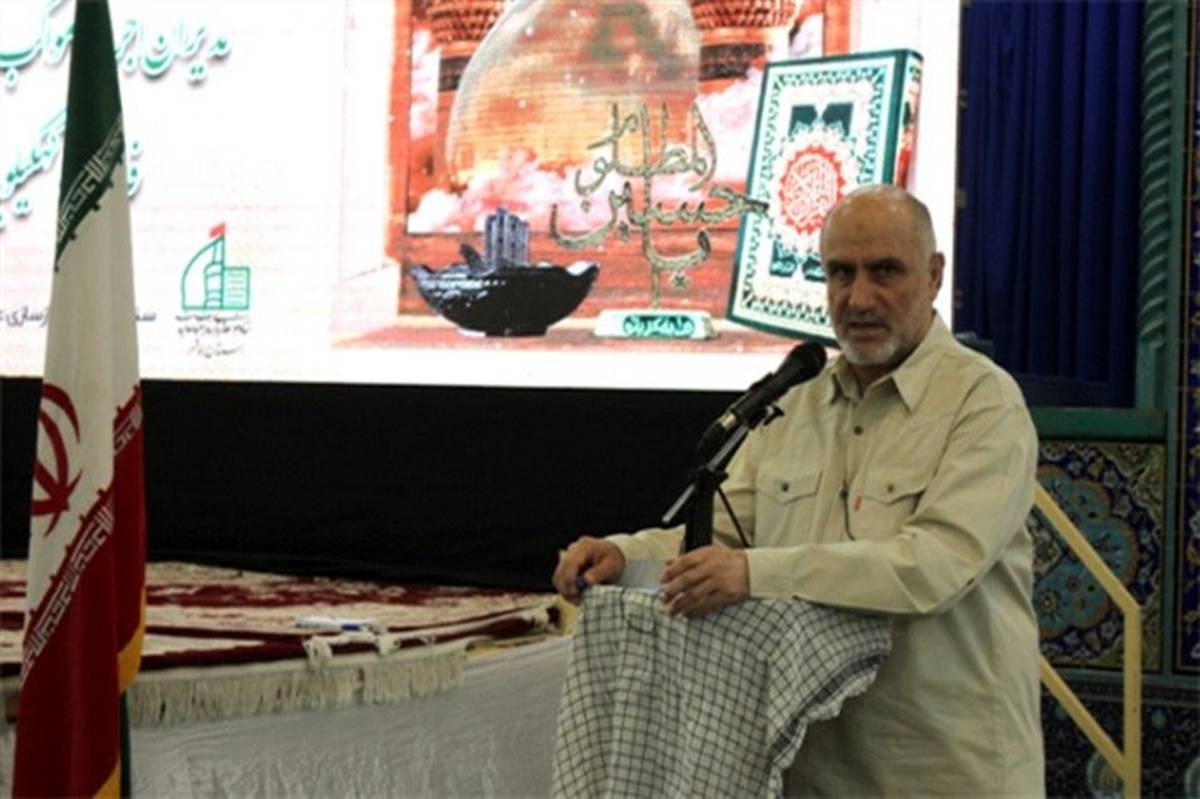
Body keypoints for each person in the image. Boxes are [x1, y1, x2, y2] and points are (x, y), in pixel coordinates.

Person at [552, 184, 1044, 797]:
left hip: (940, 771)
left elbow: (934, 567)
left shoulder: (983, 402)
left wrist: (754, 574)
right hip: (807, 768)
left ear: (934, 275)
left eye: (885, 272)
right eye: (840, 273)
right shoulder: (796, 402)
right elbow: (721, 537)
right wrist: (625, 557)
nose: (858, 298)